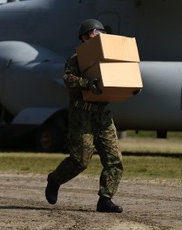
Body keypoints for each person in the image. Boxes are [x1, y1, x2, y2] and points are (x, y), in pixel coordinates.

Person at [45, 19, 124, 213]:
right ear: (85, 36)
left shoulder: (109, 57)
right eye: (97, 32)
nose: (100, 36)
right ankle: (54, 179)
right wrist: (88, 84)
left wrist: (129, 87)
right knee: (80, 161)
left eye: (102, 32)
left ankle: (105, 199)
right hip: (83, 116)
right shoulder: (78, 58)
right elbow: (68, 79)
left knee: (114, 160)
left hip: (103, 117)